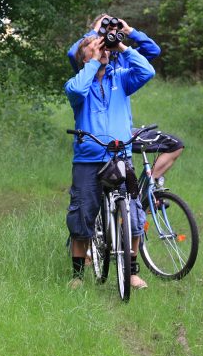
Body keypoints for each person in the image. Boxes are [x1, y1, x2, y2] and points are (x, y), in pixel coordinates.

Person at [65, 32, 155, 290]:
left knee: (134, 215)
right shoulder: (78, 84)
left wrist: (122, 47)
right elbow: (76, 90)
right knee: (81, 215)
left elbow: (147, 71)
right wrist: (93, 61)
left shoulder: (121, 78)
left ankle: (132, 271)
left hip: (120, 156)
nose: (102, 50)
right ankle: (77, 275)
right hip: (88, 160)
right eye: (95, 48)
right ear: (84, 58)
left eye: (104, 48)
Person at [68, 15, 184, 188]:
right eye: (105, 28)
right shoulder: (85, 69)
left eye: (112, 29)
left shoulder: (121, 59)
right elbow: (73, 53)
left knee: (175, 144)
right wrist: (95, 33)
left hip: (122, 133)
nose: (107, 36)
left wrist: (129, 32)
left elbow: (153, 51)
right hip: (95, 142)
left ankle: (149, 186)